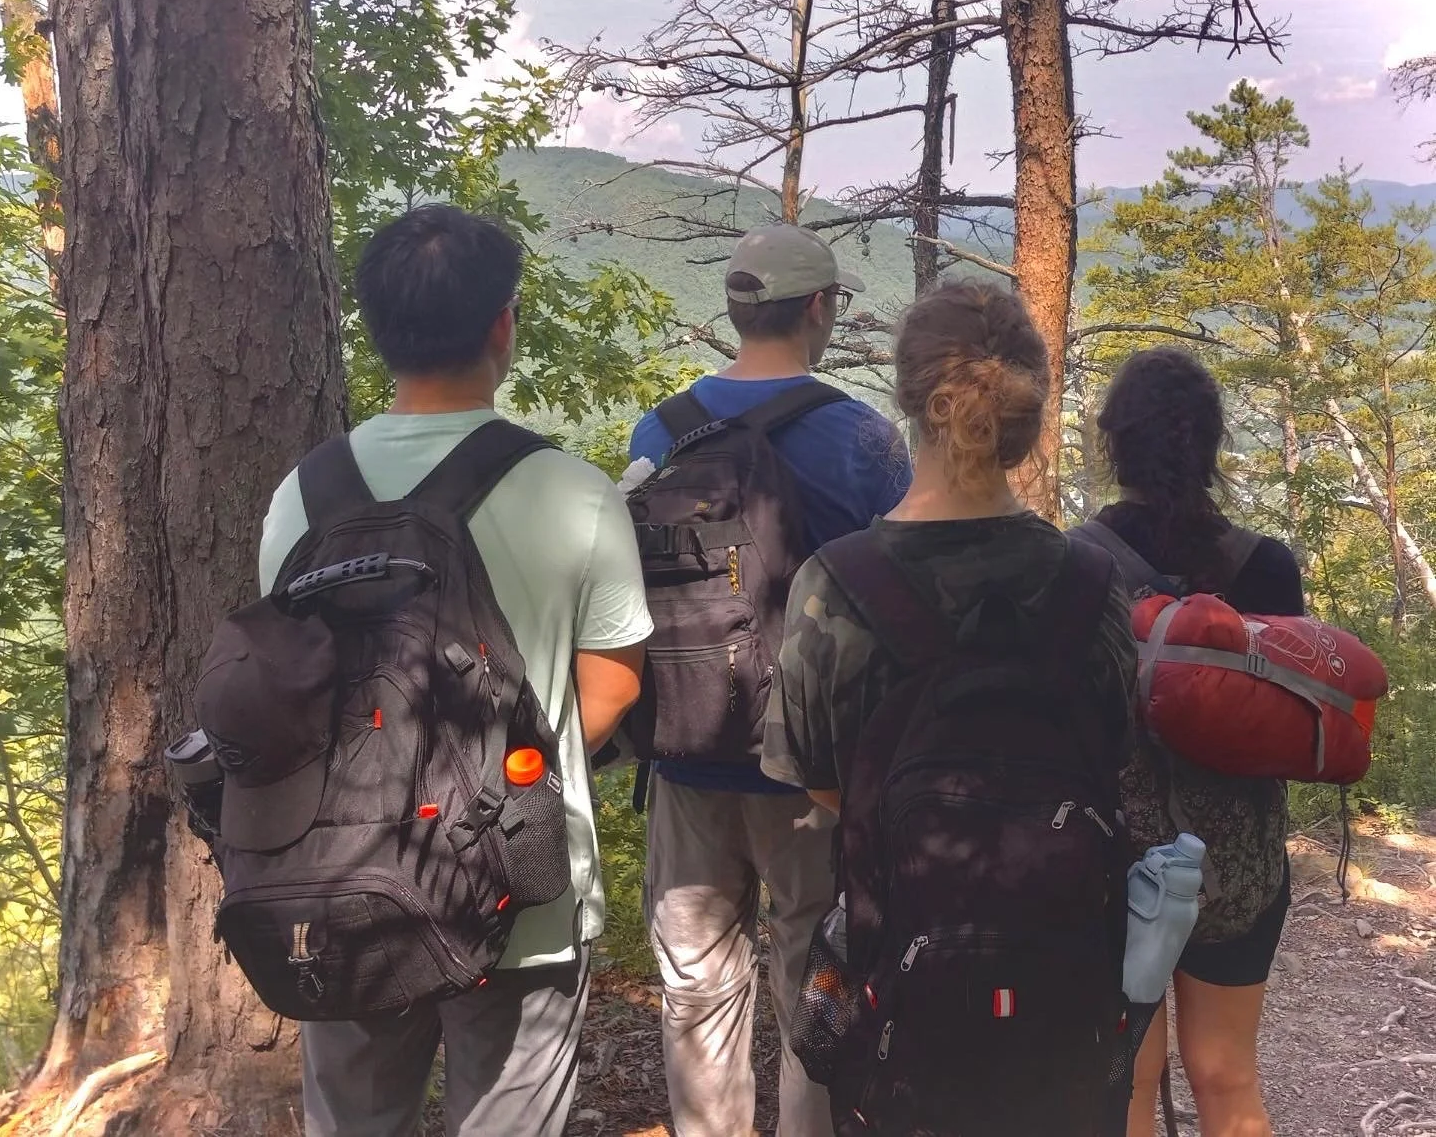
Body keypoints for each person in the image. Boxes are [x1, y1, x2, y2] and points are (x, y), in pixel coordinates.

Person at [258, 204, 652, 1137]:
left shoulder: (300, 496)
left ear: (376, 327)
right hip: (521, 886)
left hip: (340, 877)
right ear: (501, 323)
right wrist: (488, 787)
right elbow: (612, 688)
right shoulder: (572, 492)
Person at [761, 278, 1136, 1135]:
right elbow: (1110, 756)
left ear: (907, 401)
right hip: (1064, 985)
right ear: (1028, 419)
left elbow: (824, 787)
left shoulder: (837, 586)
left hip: (900, 989)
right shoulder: (1092, 585)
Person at [628, 224, 912, 1137]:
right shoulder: (863, 439)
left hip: (682, 745)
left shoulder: (661, 430)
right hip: (815, 766)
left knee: (697, 982)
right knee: (813, 975)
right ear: (821, 307)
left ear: (736, 308)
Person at [1083, 348, 1301, 1137]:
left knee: (1130, 1085)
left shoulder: (1076, 565)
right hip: (1237, 863)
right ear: (1211, 446)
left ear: (1114, 443)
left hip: (1111, 862)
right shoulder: (1266, 566)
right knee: (1226, 1077)